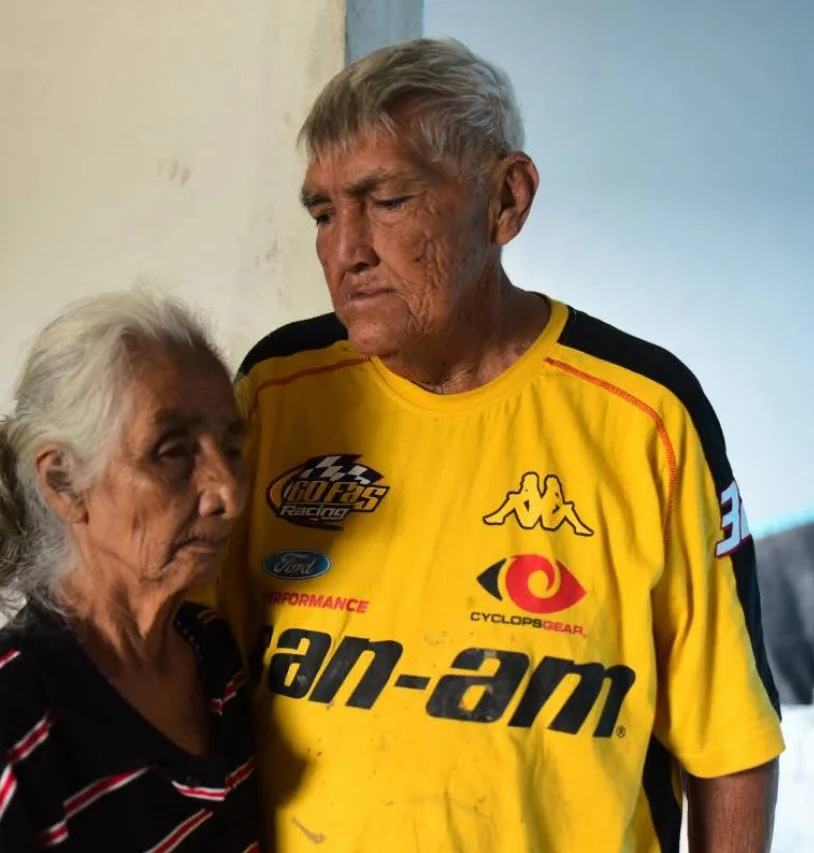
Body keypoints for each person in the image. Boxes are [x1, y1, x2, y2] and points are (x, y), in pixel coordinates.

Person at [210, 38, 784, 852]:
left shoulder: (645, 413)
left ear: (506, 199)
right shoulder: (276, 390)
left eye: (388, 200)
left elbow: (731, 741)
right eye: (323, 213)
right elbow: (181, 670)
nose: (345, 252)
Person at [0, 293, 261, 852]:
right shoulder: (6, 720)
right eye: (172, 452)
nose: (228, 493)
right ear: (64, 483)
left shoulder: (213, 656)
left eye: (231, 447)